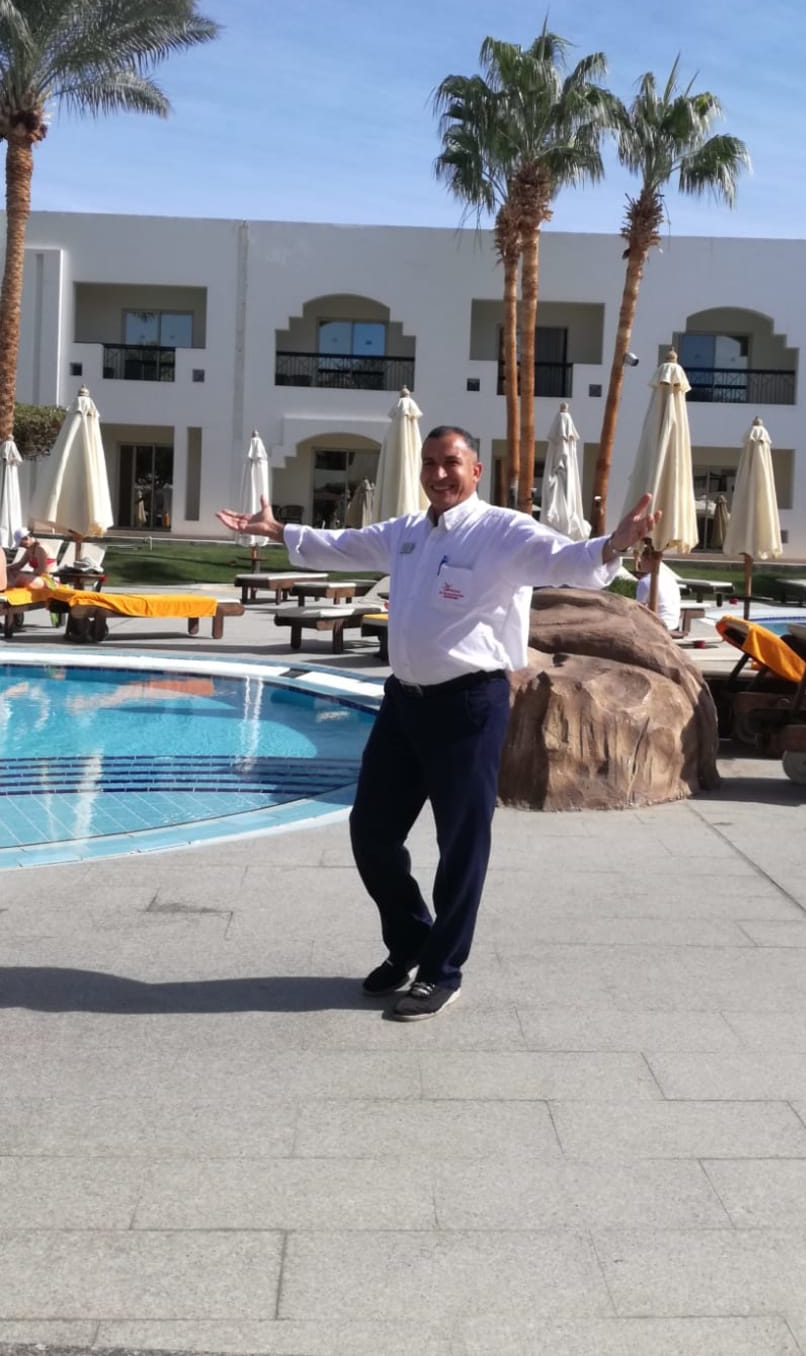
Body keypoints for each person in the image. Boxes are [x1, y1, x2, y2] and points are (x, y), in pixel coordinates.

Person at [217, 426, 658, 1022]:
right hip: (403, 704)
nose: (438, 473)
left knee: (460, 845)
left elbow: (566, 560)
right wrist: (278, 532)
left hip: (468, 706)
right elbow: (344, 545)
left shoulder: (503, 531)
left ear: (476, 471)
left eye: (451, 462)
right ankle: (411, 942)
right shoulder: (406, 533)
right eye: (429, 463)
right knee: (371, 832)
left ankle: (441, 971)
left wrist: (614, 545)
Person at [634, 541, 682, 632]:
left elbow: (637, 609)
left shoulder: (645, 581)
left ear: (648, 560)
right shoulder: (670, 578)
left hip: (658, 629)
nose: (640, 563)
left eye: (642, 560)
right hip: (674, 626)